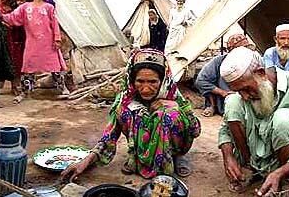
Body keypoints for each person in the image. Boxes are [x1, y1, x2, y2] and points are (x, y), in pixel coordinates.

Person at [61, 49, 201, 181]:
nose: (146, 89)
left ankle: (176, 157)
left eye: (153, 82)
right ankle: (138, 158)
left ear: (162, 80)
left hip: (175, 147)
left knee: (170, 114)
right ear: (132, 80)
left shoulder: (172, 94)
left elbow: (195, 130)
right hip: (139, 150)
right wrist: (84, 162)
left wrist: (175, 107)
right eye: (140, 81)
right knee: (125, 111)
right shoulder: (125, 99)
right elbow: (109, 136)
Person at [219, 46, 289, 197]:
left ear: (261, 73)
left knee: (283, 120)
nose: (245, 97)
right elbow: (225, 130)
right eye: (239, 91)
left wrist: (280, 172)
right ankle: (251, 169)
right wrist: (228, 156)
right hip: (258, 161)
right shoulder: (244, 96)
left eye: (246, 89)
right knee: (232, 102)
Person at [2, 0, 68, 103]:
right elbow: (12, 18)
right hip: (32, 43)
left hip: (48, 43)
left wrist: (57, 39)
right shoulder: (25, 7)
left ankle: (62, 88)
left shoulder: (49, 7)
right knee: (28, 67)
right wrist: (0, 15)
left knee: (55, 67)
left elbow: (55, 24)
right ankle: (26, 91)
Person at [196, 34, 253, 117]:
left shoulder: (253, 60)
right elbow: (201, 81)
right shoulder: (219, 61)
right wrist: (223, 92)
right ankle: (212, 106)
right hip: (227, 101)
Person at [0, 0, 25, 96]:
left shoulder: (16, 8)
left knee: (15, 63)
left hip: (14, 40)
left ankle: (15, 86)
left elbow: (20, 22)